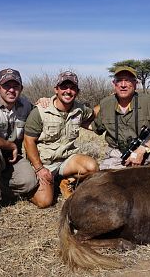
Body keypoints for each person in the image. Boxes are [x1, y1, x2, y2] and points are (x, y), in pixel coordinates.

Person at [23, 71, 99, 208]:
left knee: (92, 167)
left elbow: (94, 113)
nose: (68, 91)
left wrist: (113, 98)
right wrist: (39, 168)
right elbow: (28, 141)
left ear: (77, 91)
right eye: (64, 87)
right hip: (44, 162)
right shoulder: (40, 111)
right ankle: (30, 187)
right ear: (56, 90)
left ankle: (65, 181)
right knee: (44, 202)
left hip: (66, 160)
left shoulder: (80, 109)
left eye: (72, 88)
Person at [0, 68, 41, 215]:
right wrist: (11, 145)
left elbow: (40, 114)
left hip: (11, 159)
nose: (11, 90)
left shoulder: (26, 105)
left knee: (30, 182)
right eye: (7, 86)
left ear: (21, 88)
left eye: (16, 86)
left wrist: (45, 101)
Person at [91, 66, 150, 169]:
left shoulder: (148, 102)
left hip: (147, 151)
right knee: (103, 178)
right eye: (119, 80)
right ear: (114, 84)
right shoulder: (105, 103)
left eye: (128, 80)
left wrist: (141, 150)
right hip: (118, 154)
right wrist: (74, 118)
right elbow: (95, 127)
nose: (123, 85)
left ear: (135, 84)